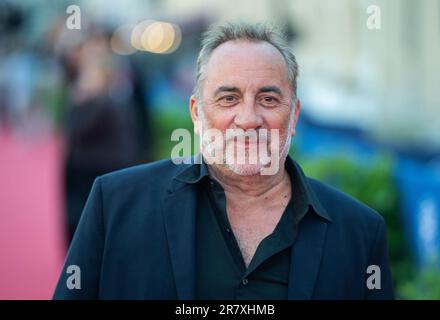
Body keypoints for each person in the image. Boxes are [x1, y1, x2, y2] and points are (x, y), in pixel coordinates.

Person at [53, 22, 394, 299]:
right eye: (229, 98)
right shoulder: (114, 206)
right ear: (197, 114)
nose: (248, 119)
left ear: (294, 115)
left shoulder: (360, 233)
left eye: (268, 98)